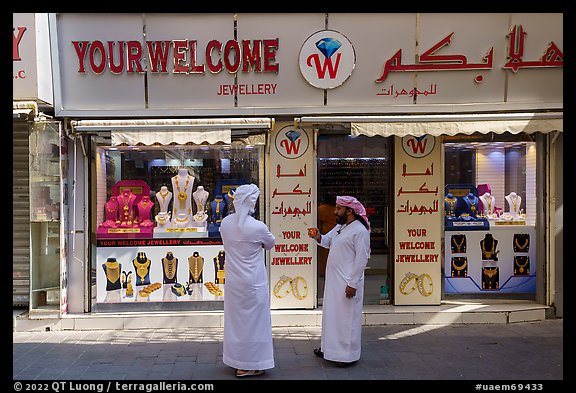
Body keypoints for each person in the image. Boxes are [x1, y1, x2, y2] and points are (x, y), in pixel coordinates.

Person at [220, 184, 276, 378]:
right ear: (251, 202)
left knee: (236, 323)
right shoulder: (258, 227)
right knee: (255, 323)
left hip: (234, 283)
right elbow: (270, 244)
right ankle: (251, 364)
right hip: (253, 283)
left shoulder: (225, 223)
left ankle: (236, 360)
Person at [308, 195, 371, 367]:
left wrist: (353, 284)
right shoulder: (340, 227)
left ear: (349, 211)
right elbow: (328, 241)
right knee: (332, 317)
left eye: (338, 208)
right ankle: (328, 349)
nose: (335, 211)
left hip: (347, 283)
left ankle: (345, 356)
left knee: (346, 319)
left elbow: (361, 259)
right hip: (334, 283)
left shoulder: (360, 231)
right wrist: (318, 236)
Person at [316, 193, 337, 275]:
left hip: (325, 231)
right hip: (336, 232)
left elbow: (319, 223)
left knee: (324, 255)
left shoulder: (321, 209)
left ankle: (323, 271)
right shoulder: (338, 209)